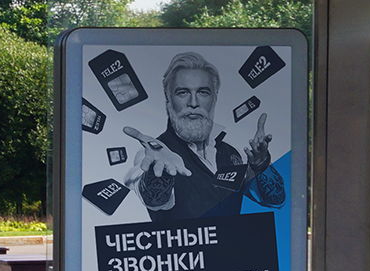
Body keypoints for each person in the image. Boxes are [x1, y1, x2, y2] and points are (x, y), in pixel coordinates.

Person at [121, 51, 283, 220]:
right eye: (182, 92)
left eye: (203, 92)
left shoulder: (232, 153)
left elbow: (275, 199)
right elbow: (154, 200)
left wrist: (261, 165)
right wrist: (159, 174)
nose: (193, 102)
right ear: (168, 99)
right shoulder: (152, 154)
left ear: (214, 98)